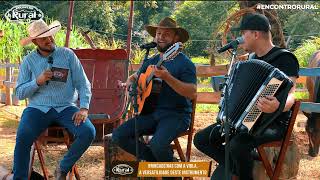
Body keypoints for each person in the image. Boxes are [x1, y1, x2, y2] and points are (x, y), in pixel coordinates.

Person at [193, 13, 299, 180]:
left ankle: (240, 174)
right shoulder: (250, 59)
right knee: (201, 139)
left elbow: (292, 94)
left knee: (237, 145)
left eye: (243, 33)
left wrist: (277, 104)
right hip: (245, 121)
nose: (240, 38)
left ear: (256, 34)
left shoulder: (284, 58)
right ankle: (235, 168)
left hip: (272, 123)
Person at [14, 19, 96, 180]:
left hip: (66, 107)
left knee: (88, 132)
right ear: (35, 42)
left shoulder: (67, 55)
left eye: (50, 36)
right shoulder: (29, 61)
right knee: (23, 136)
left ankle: (62, 168)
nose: (49, 40)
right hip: (37, 108)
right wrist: (37, 81)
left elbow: (83, 83)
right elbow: (19, 93)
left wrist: (84, 108)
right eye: (44, 38)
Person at [112, 17, 197, 164]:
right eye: (158, 34)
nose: (160, 37)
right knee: (118, 136)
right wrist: (132, 85)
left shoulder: (185, 63)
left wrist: (167, 77)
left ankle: (171, 175)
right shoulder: (152, 61)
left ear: (176, 38)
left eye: (166, 34)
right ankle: (161, 163)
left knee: (157, 145)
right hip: (151, 114)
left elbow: (192, 92)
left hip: (176, 116)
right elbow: (134, 77)